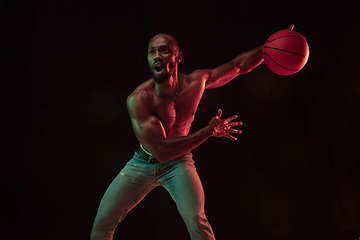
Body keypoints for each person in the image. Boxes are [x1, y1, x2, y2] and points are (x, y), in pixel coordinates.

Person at [91, 26, 293, 240]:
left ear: (178, 57)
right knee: (102, 223)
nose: (157, 55)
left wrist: (269, 48)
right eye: (152, 51)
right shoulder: (139, 98)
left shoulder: (196, 82)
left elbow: (238, 66)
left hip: (179, 164)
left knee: (197, 220)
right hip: (142, 164)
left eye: (164, 50)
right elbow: (161, 151)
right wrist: (208, 131)